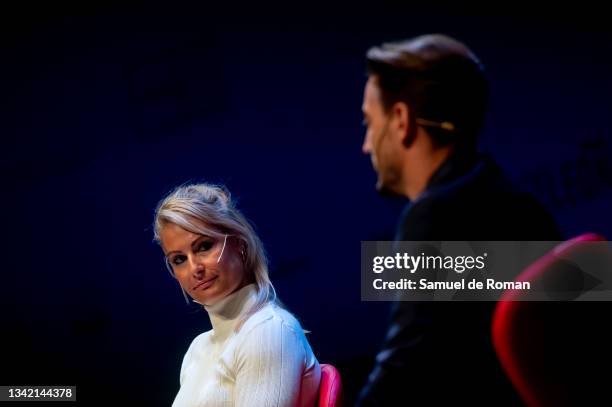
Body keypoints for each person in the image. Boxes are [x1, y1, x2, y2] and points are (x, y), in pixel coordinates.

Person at [357, 34, 562, 405]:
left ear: (401, 120)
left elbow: (403, 375)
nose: (366, 145)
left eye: (370, 123)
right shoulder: (517, 201)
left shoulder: (433, 218)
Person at [153, 183, 321, 407]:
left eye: (204, 246)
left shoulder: (268, 330)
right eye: (179, 259)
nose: (194, 268)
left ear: (239, 244)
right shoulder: (197, 349)